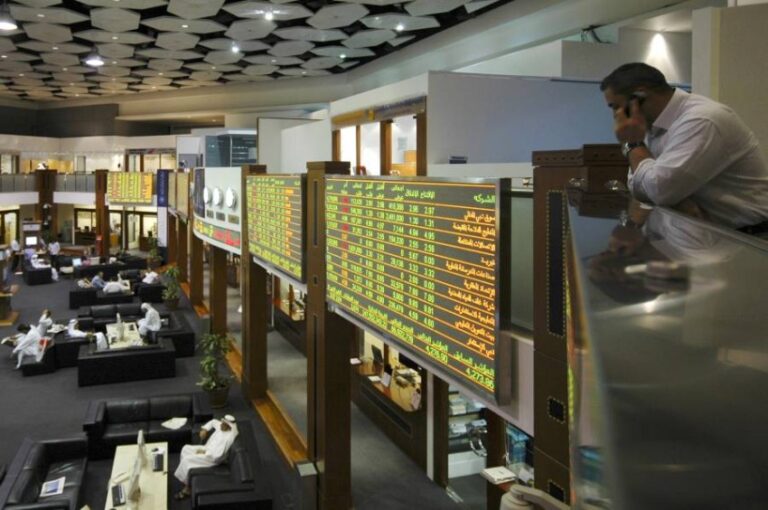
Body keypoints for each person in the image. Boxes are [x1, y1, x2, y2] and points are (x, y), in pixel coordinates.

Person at [601, 62, 768, 236]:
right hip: (712, 237)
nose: (616, 116)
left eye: (616, 107)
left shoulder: (702, 120)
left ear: (640, 95)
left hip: (752, 239)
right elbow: (636, 185)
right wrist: (675, 199)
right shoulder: (652, 125)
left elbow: (657, 190)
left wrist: (633, 143)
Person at [174, 415, 239, 500]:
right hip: (206, 449)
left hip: (211, 458)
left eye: (224, 424)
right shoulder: (221, 426)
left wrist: (204, 452)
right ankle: (187, 476)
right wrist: (204, 430)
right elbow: (213, 422)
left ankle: (187, 488)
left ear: (229, 426)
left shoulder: (228, 438)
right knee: (185, 448)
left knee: (187, 460)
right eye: (222, 422)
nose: (221, 425)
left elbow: (218, 456)